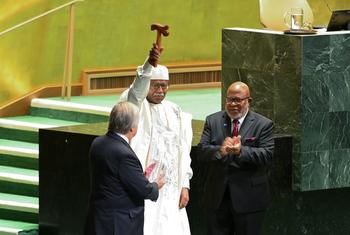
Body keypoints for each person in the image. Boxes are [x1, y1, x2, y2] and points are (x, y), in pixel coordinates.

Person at [119, 44, 193, 235]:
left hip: (171, 189)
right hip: (144, 184)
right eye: (155, 85)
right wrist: (148, 66)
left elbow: (183, 151)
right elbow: (136, 91)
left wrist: (185, 184)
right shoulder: (135, 106)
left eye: (164, 85)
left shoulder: (176, 111)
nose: (160, 90)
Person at [198, 81, 274, 235]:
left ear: (248, 101)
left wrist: (241, 151)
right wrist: (221, 150)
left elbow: (267, 154)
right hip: (217, 199)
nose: (233, 104)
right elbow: (201, 151)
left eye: (237, 100)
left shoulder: (263, 124)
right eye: (229, 99)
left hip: (249, 200)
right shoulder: (212, 121)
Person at [84, 101, 165, 235]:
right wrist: (156, 185)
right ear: (132, 128)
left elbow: (114, 178)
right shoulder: (124, 155)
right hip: (119, 224)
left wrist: (137, 176)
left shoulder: (97, 143)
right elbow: (144, 190)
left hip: (98, 218)